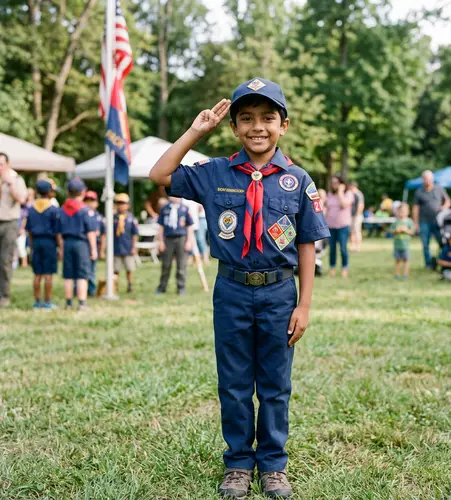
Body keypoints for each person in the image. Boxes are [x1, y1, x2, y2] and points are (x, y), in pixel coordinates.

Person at [149, 78, 329, 499]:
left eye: (268, 118)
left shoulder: (297, 180)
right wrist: (197, 131)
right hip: (230, 292)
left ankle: (272, 464)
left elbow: (306, 244)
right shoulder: (215, 173)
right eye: (246, 119)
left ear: (283, 125)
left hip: (279, 293)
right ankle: (237, 463)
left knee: (274, 385)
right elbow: (159, 174)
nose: (257, 127)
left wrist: (304, 304)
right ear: (233, 127)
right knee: (232, 382)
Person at [59, 178, 97, 310]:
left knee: (68, 275)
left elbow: (59, 232)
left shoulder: (63, 209)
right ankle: (82, 303)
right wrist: (93, 249)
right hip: (81, 244)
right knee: (82, 275)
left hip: (67, 242)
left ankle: (68, 303)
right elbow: (90, 232)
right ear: (83, 192)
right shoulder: (85, 210)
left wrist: (62, 248)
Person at [26, 180, 62, 309]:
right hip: (49, 243)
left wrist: (31, 245)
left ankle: (37, 302)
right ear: (49, 192)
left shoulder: (31, 209)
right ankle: (47, 302)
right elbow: (57, 232)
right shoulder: (53, 210)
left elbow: (28, 230)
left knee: (37, 274)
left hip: (36, 241)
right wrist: (61, 247)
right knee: (48, 274)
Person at [0, 152, 28, 307]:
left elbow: (22, 199)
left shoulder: (16, 180)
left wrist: (10, 184)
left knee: (5, 260)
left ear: (8, 164)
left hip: (9, 222)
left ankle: (4, 295)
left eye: (1, 164)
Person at [412, 170, 451, 268]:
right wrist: (415, 223)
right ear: (423, 180)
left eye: (429, 179)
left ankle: (443, 260)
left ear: (432, 179)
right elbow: (415, 208)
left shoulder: (439, 189)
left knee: (442, 242)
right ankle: (428, 264)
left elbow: (447, 201)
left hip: (438, 221)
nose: (428, 181)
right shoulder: (419, 191)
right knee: (425, 244)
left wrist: (444, 207)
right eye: (426, 179)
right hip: (424, 221)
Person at [156, 196, 193, 295]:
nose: (174, 197)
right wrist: (160, 241)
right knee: (166, 264)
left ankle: (181, 287)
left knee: (181, 265)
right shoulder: (164, 209)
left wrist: (189, 241)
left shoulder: (185, 208)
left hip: (181, 238)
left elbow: (189, 226)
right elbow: (161, 226)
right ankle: (162, 286)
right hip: (168, 238)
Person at [325, 175, 354, 278]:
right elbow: (327, 209)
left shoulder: (348, 194)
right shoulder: (329, 194)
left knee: (343, 248)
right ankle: (332, 268)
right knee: (332, 249)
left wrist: (340, 192)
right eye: (332, 183)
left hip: (343, 226)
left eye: (336, 182)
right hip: (331, 226)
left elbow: (344, 205)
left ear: (342, 183)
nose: (334, 185)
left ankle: (344, 268)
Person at [111, 193, 138, 293]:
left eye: (123, 203)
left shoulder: (131, 218)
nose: (121, 205)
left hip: (127, 246)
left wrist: (134, 246)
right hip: (116, 246)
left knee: (129, 268)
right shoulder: (112, 218)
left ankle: (130, 285)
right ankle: (114, 285)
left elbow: (134, 234)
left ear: (128, 205)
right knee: (115, 268)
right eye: (119, 203)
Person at [83, 191, 105, 296]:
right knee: (81, 268)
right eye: (87, 201)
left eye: (92, 201)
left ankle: (91, 289)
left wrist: (101, 250)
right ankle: (78, 288)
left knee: (92, 269)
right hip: (83, 245)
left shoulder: (99, 217)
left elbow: (103, 235)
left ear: (96, 203)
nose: (89, 203)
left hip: (95, 245)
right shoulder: (81, 214)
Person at [389, 203, 415, 279]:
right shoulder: (396, 222)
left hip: (405, 246)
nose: (402, 213)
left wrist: (406, 230)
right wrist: (396, 231)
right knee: (397, 260)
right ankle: (396, 274)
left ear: (408, 212)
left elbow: (412, 232)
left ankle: (405, 274)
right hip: (397, 245)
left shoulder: (409, 221)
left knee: (406, 260)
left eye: (404, 211)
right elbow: (391, 231)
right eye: (400, 211)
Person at [348, 181, 364, 252]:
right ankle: (352, 246)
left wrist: (357, 214)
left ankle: (358, 246)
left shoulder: (358, 194)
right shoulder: (351, 194)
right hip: (351, 215)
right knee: (352, 231)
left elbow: (361, 205)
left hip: (356, 216)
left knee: (357, 231)